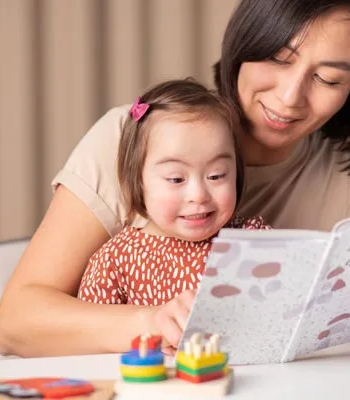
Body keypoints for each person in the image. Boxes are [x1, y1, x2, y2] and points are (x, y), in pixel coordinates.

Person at [0, 0, 350, 358]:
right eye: (278, 58)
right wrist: (150, 321)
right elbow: (16, 322)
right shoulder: (138, 137)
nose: (290, 97)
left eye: (329, 79)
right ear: (244, 42)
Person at [76, 79, 269, 314]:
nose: (198, 195)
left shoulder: (253, 242)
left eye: (217, 175)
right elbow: (94, 336)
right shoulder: (115, 261)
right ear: (138, 180)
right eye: (176, 179)